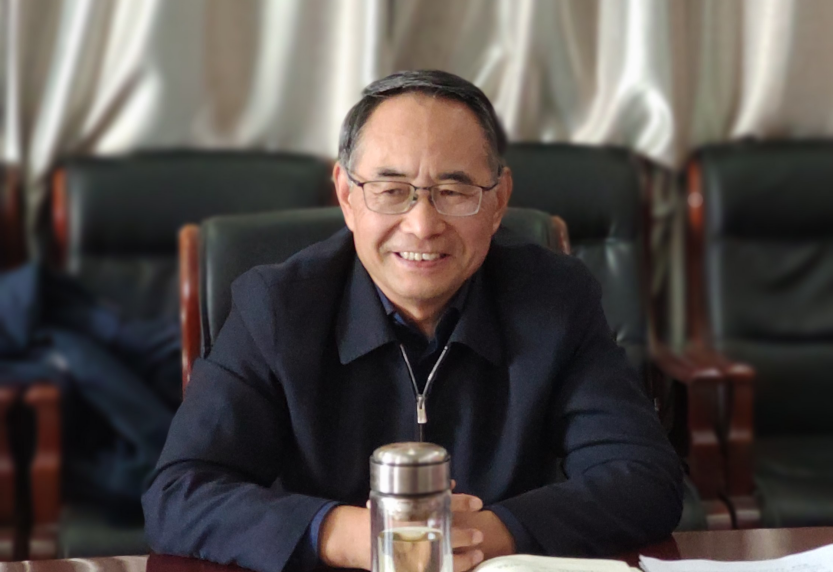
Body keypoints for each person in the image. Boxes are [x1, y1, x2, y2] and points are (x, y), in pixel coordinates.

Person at [142, 70, 683, 572]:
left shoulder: (556, 300)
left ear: (498, 201)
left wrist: (484, 534)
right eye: (391, 190)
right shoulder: (276, 308)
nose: (422, 225)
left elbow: (644, 477)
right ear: (347, 195)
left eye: (454, 191)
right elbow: (179, 493)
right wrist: (355, 536)